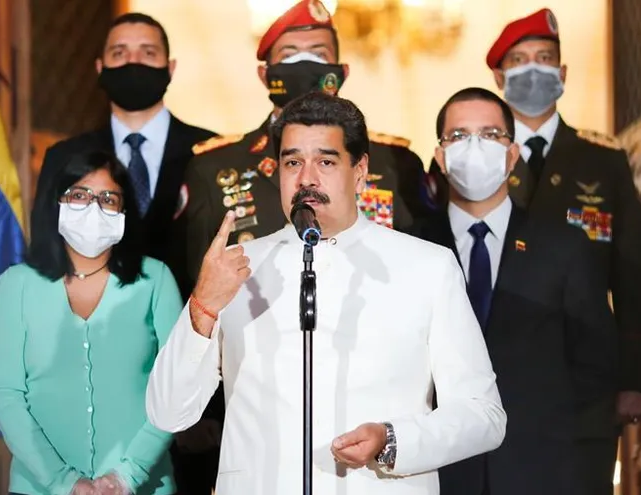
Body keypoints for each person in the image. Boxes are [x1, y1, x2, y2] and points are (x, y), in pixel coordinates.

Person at [145, 92, 506, 495]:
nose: (306, 178)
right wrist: (203, 306)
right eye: (292, 162)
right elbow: (167, 412)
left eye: (326, 162)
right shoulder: (234, 269)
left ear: (360, 171)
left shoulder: (427, 267)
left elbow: (484, 415)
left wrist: (391, 440)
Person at [410, 87, 618, 495]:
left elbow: (595, 367)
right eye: (459, 135)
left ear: (511, 154)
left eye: (490, 134)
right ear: (440, 157)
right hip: (439, 472)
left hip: (543, 469)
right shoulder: (411, 247)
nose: (474, 147)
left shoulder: (564, 247)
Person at [485, 9, 641, 494]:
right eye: (519, 60)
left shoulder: (603, 160)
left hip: (585, 381)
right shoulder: (477, 157)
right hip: (496, 375)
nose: (533, 69)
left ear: (562, 73)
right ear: (499, 77)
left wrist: (634, 379)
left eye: (544, 59)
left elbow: (633, 276)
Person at [181, 0, 428, 288]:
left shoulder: (394, 162)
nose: (304, 65)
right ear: (265, 74)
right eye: (289, 55)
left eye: (318, 54)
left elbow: (420, 265)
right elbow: (198, 281)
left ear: (342, 72)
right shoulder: (213, 167)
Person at [0, 150, 181, 495]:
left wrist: (127, 476)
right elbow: (5, 394)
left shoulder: (156, 280)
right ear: (57, 203)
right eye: (79, 195)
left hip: (144, 486)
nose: (94, 207)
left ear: (124, 213)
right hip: (38, 488)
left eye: (108, 199)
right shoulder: (17, 284)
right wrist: (63, 482)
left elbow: (177, 388)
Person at [39, 12, 216, 298]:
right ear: (100, 68)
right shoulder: (64, 157)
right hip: (92, 316)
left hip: (193, 316)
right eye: (119, 53)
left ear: (170, 68)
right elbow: (47, 250)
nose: (133, 62)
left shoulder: (211, 151)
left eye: (148, 53)